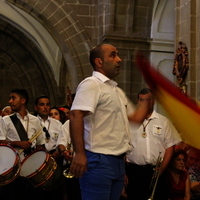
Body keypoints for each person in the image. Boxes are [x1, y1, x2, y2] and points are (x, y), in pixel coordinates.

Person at [69, 43, 149, 200]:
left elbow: (136, 118)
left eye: (118, 54)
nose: (119, 59)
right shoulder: (91, 84)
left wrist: (155, 91)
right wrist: (79, 154)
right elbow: (75, 114)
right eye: (113, 55)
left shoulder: (116, 91)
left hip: (118, 161)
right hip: (98, 160)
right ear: (99, 62)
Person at [126, 88, 182, 200]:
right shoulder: (130, 121)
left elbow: (170, 147)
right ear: (138, 101)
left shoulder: (164, 121)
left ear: (154, 101)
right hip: (134, 171)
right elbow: (122, 146)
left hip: (156, 172)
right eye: (142, 100)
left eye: (148, 100)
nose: (145, 103)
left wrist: (161, 169)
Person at [0, 89, 45, 200]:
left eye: (13, 98)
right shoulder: (6, 120)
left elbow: (40, 144)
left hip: (30, 168)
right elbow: (1, 142)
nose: (10, 101)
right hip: (13, 167)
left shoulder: (35, 120)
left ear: (23, 100)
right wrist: (18, 143)